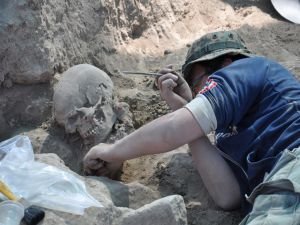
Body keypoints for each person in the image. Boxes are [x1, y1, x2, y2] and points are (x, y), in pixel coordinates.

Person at [83, 30, 300, 224]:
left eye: (198, 83)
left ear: (225, 64)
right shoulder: (228, 132)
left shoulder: (247, 69)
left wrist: (111, 151)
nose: (199, 93)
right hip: (275, 192)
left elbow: (172, 130)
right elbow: (227, 195)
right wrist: (184, 108)